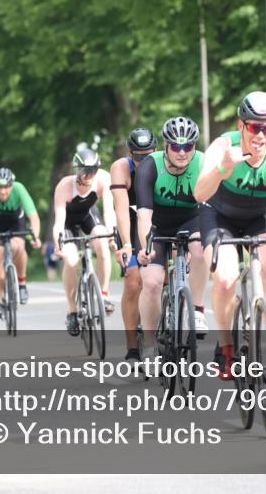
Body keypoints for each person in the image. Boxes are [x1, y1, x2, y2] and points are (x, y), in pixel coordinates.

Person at [194, 91, 266, 383]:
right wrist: (223, 168)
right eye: (253, 127)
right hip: (219, 214)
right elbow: (199, 193)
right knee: (225, 280)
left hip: (261, 213)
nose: (260, 135)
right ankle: (227, 349)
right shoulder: (223, 146)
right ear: (241, 125)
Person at [135, 117, 209, 363]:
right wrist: (146, 247)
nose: (182, 152)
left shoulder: (203, 163)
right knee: (153, 282)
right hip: (155, 226)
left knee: (200, 250)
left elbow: (211, 207)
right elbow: (144, 214)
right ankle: (148, 346)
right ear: (166, 146)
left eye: (188, 146)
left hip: (190, 221)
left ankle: (197, 310)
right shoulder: (150, 165)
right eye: (176, 146)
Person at [53, 147, 117, 336]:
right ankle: (72, 311)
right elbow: (59, 221)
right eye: (85, 172)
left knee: (102, 245)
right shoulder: (64, 186)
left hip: (88, 216)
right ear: (77, 171)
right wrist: (58, 242)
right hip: (68, 223)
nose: (89, 176)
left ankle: (103, 295)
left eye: (93, 171)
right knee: (72, 260)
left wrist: (112, 235)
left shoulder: (104, 179)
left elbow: (109, 211)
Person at [110, 127, 157, 364]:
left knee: (160, 276)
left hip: (155, 218)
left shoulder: (163, 164)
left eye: (149, 156)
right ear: (130, 154)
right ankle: (132, 348)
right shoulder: (121, 168)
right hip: (130, 220)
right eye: (139, 157)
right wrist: (127, 244)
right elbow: (121, 208)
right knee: (133, 279)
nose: (144, 162)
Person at [0, 167, 41, 317]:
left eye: (7, 187)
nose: (3, 192)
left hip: (15, 222)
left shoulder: (19, 189)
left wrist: (36, 237)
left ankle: (22, 283)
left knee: (18, 247)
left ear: (12, 185)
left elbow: (33, 216)